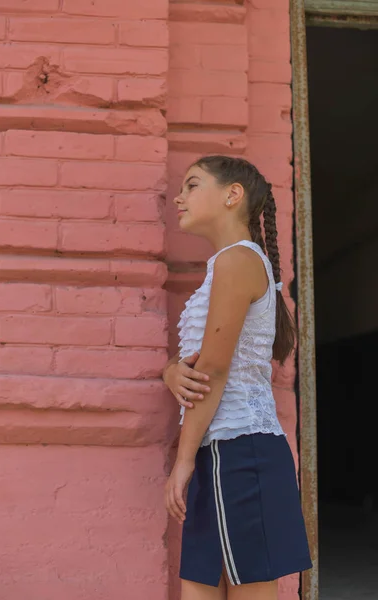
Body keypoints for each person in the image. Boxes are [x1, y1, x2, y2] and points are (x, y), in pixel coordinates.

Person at [162, 156, 312, 600]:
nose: (178, 196)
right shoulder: (225, 266)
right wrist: (171, 371)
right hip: (221, 449)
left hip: (239, 453)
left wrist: (183, 459)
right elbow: (196, 359)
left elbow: (213, 369)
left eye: (192, 185)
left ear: (233, 195)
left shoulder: (238, 261)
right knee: (198, 590)